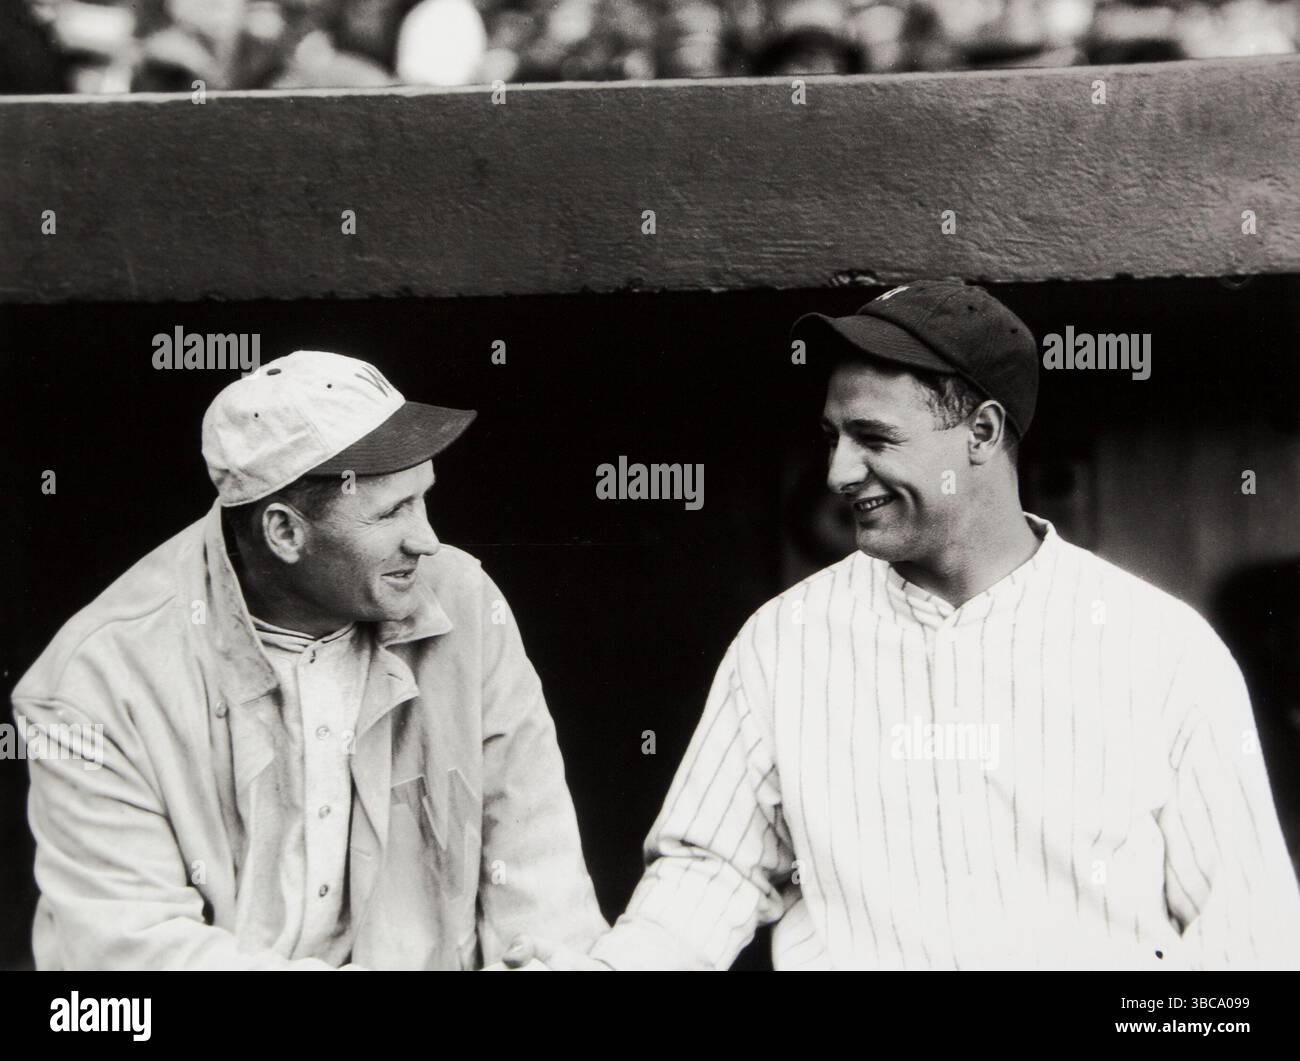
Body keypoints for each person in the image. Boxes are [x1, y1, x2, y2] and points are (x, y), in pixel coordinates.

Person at [503, 280, 1300, 970]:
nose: (839, 473)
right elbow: (707, 877)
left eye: (875, 439)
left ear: (982, 434)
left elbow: (1252, 940)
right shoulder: (785, 644)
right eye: (833, 438)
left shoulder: (1159, 648)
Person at [14, 349, 605, 969]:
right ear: (285, 533)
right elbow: (134, 949)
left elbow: (538, 859)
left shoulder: (461, 601)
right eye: (391, 511)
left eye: (422, 498)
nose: (427, 540)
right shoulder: (96, 681)